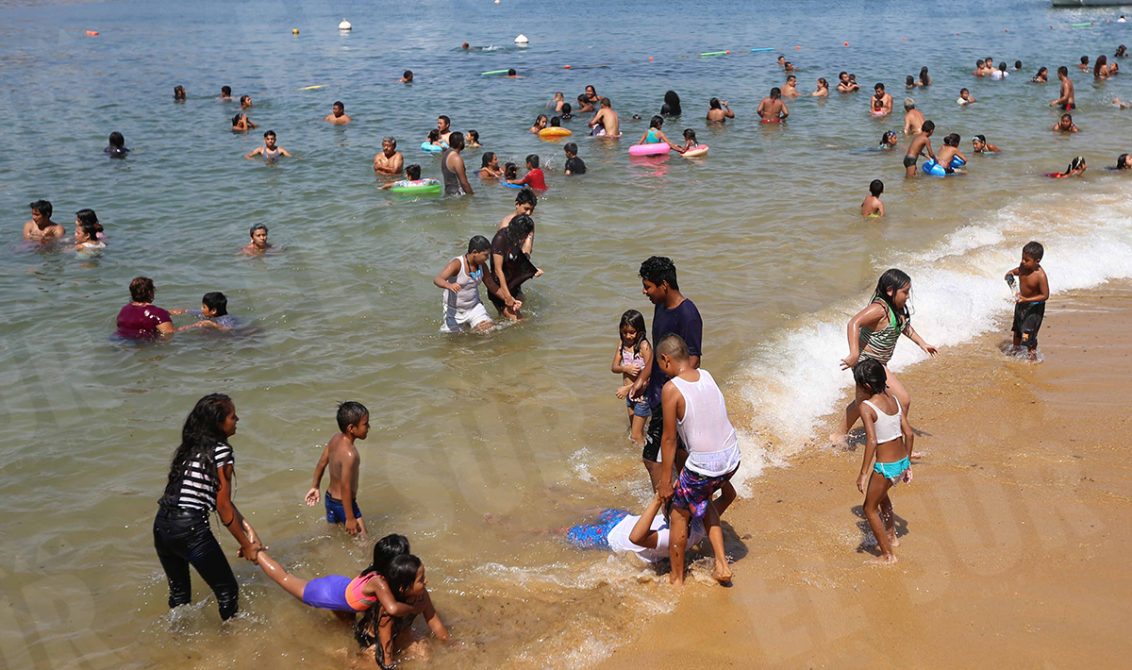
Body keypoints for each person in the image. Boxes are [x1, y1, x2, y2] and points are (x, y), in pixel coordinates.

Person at [153, 394, 261, 620]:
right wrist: (246, 545)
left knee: (180, 596)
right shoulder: (222, 452)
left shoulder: (190, 449)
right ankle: (232, 642)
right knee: (228, 591)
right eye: (232, 416)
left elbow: (224, 502)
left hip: (162, 526)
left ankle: (178, 639)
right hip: (190, 529)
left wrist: (248, 531)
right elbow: (222, 508)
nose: (237, 419)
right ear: (219, 423)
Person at [655, 334, 739, 586]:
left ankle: (676, 579)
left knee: (679, 514)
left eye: (661, 366)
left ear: (666, 359)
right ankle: (721, 564)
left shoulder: (671, 389)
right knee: (704, 497)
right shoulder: (707, 375)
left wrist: (665, 482)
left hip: (705, 466)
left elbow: (669, 439)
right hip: (732, 457)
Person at [834, 269, 937, 444]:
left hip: (878, 363)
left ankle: (838, 435)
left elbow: (904, 327)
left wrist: (922, 343)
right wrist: (854, 353)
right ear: (890, 290)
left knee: (863, 400)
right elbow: (854, 322)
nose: (908, 296)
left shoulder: (896, 311)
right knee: (903, 400)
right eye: (905, 292)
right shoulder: (879, 309)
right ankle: (896, 444)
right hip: (867, 363)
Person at [628, 257, 703, 492]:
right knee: (680, 456)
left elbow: (693, 360)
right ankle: (686, 506)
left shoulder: (688, 314)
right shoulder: (659, 306)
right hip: (657, 394)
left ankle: (668, 511)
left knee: (651, 459)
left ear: (664, 285)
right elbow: (659, 351)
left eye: (648, 286)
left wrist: (672, 392)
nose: (644, 291)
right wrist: (642, 378)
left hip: (672, 398)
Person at [852, 359, 914, 564]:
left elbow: (871, 440)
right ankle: (891, 536)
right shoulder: (894, 400)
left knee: (869, 509)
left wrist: (863, 473)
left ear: (866, 386)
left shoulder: (867, 407)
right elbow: (909, 433)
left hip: (885, 467)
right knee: (881, 496)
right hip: (901, 462)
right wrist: (907, 463)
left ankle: (888, 555)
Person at [565, 493, 711, 565]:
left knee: (565, 531)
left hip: (611, 536)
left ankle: (550, 524)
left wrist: (657, 500)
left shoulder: (669, 538)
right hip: (626, 519)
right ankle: (566, 511)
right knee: (574, 520)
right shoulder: (699, 526)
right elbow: (726, 498)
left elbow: (635, 538)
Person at [305, 401, 371, 536]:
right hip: (344, 504)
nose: (368, 427)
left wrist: (315, 486)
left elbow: (321, 463)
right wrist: (350, 517)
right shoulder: (351, 455)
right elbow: (345, 487)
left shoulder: (335, 438)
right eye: (365, 424)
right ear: (351, 428)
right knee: (364, 541)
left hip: (329, 500)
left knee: (334, 536)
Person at [434, 236, 495, 333]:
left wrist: (508, 298)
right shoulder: (457, 264)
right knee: (454, 341)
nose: (487, 258)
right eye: (485, 255)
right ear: (474, 252)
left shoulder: (482, 265)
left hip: (474, 307)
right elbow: (437, 279)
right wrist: (449, 285)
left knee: (488, 329)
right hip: (454, 311)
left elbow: (492, 286)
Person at [484, 214, 539, 320]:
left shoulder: (515, 238)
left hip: (512, 285)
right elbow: (498, 270)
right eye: (525, 236)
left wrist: (533, 271)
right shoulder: (500, 239)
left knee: (520, 308)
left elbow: (520, 257)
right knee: (519, 321)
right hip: (499, 288)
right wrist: (507, 296)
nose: (524, 239)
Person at [612, 309, 653, 449]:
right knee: (634, 432)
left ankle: (645, 460)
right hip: (629, 397)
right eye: (624, 332)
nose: (628, 336)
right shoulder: (622, 344)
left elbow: (650, 375)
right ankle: (644, 451)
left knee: (635, 435)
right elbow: (614, 367)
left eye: (632, 332)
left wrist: (627, 388)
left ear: (640, 331)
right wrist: (626, 368)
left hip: (642, 397)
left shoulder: (644, 346)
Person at [1004, 241, 1050, 361]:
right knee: (1017, 329)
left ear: (1037, 261)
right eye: (1022, 258)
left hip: (1034, 309)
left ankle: (1032, 355)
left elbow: (1045, 295)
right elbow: (1018, 270)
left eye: (1027, 260)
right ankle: (1015, 349)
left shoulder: (1040, 276)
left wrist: (1027, 299)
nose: (1023, 262)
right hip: (1021, 304)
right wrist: (1011, 273)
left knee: (1028, 334)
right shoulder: (1023, 266)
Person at [440, 132, 473, 196]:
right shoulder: (456, 158)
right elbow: (464, 183)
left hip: (449, 193)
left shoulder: (446, 154)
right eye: (463, 141)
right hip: (457, 195)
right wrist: (472, 196)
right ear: (460, 143)